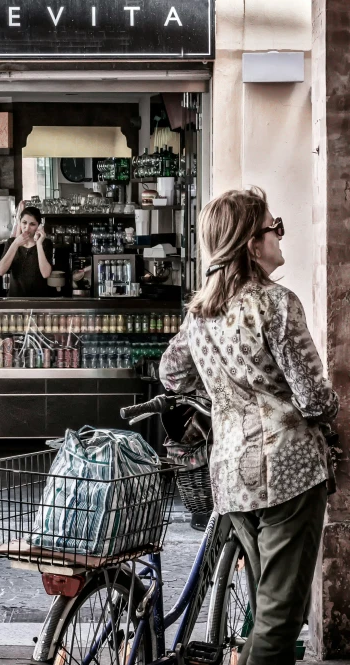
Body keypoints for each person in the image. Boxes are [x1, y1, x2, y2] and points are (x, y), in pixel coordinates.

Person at [159, 187, 339, 665]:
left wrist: (222, 396)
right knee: (279, 624)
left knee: (266, 610)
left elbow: (171, 373)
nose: (280, 234)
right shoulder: (275, 303)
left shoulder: (201, 314)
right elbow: (315, 399)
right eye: (272, 226)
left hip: (232, 479)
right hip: (288, 473)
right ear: (251, 244)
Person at [0, 206, 53, 297]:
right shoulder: (11, 242)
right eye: (24, 223)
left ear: (39, 226)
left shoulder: (46, 243)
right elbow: (0, 271)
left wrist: (39, 244)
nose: (27, 228)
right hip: (14, 300)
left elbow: (46, 274)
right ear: (20, 223)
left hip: (39, 301)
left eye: (32, 224)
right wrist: (15, 244)